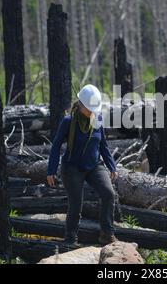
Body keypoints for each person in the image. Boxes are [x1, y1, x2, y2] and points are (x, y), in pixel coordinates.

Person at [46, 84, 119, 248]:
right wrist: (51, 170)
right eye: (89, 108)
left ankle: (107, 234)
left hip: (94, 166)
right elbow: (56, 145)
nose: (92, 111)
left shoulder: (98, 118)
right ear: (81, 104)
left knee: (108, 194)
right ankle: (71, 239)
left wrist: (112, 166)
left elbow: (103, 145)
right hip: (72, 168)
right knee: (76, 204)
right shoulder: (68, 121)